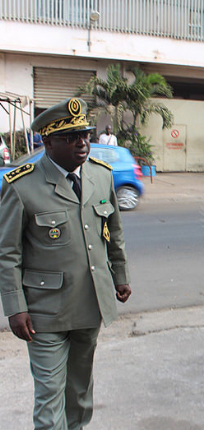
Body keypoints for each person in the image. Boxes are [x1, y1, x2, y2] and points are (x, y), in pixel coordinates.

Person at [0, 98, 131, 429]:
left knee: (79, 391)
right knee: (49, 396)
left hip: (90, 304)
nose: (82, 143)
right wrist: (15, 307)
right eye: (71, 137)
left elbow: (113, 232)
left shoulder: (100, 176)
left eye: (85, 135)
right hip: (43, 313)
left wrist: (120, 275)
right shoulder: (21, 185)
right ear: (48, 141)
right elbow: (8, 252)